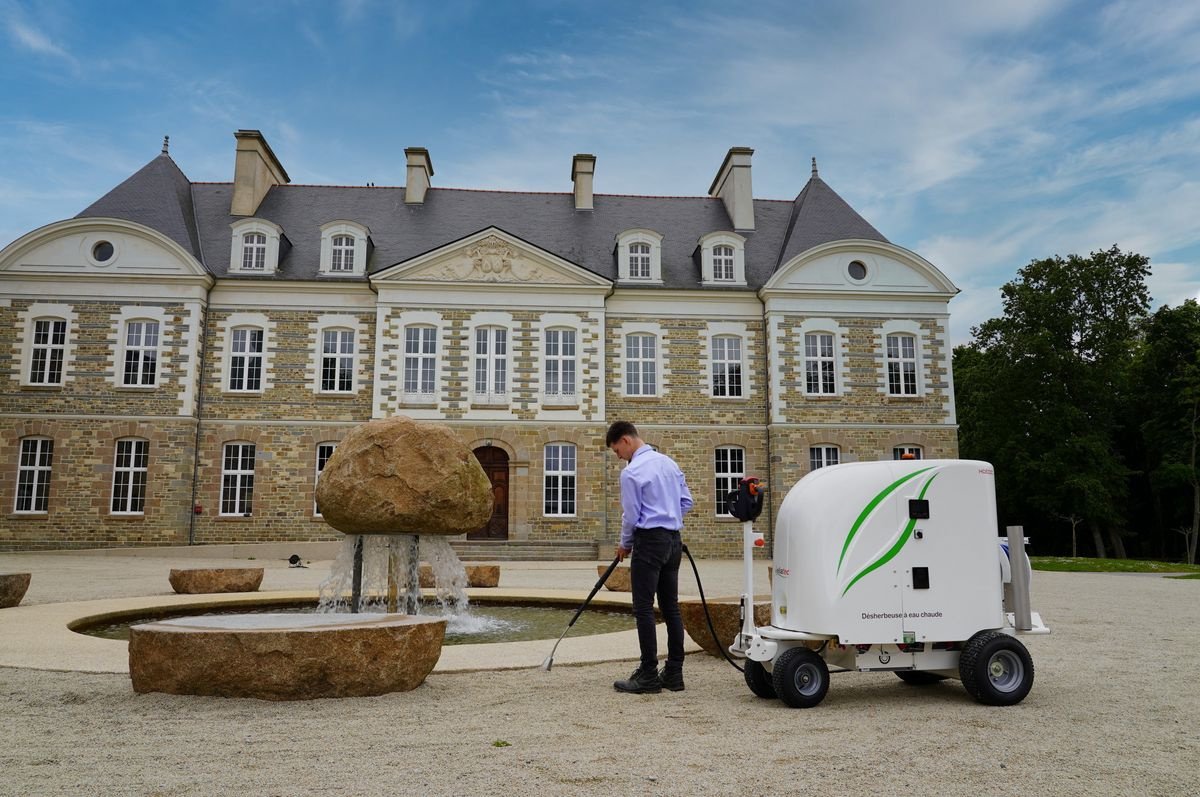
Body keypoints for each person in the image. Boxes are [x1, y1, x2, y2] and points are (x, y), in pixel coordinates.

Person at [605, 420, 693, 694]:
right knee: (671, 608)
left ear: (626, 441)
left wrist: (624, 544)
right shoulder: (669, 463)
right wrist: (669, 516)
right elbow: (686, 501)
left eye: (616, 450)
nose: (618, 456)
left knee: (643, 608)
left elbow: (631, 516)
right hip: (673, 541)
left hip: (649, 541)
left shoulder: (632, 472)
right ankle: (674, 674)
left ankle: (648, 674)